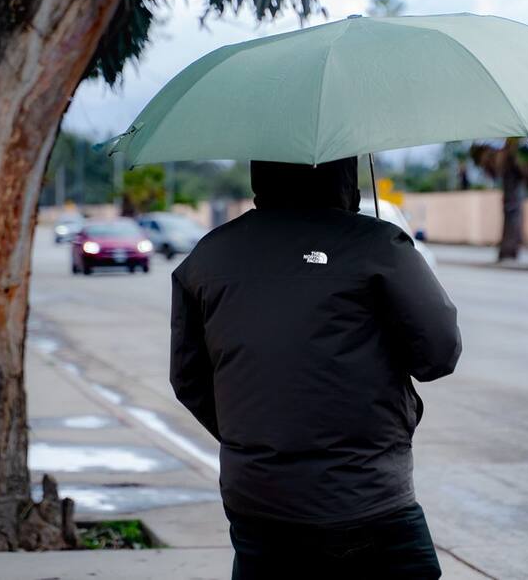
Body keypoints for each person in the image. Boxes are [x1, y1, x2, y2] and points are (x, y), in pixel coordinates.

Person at [170, 157, 462, 579]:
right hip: (367, 498)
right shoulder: (377, 246)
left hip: (256, 498)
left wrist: (257, 439)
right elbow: (439, 354)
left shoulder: (207, 257)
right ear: (343, 175)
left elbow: (188, 379)